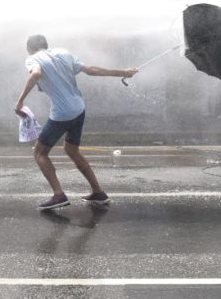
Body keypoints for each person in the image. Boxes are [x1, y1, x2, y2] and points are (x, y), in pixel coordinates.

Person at [14, 34, 138, 210]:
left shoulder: (32, 59)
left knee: (39, 153)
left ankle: (59, 195)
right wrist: (123, 72)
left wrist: (20, 101)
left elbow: (36, 74)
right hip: (79, 108)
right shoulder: (63, 53)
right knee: (71, 150)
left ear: (29, 49)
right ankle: (98, 193)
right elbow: (91, 70)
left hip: (62, 114)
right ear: (47, 44)